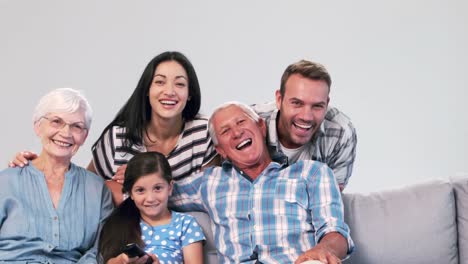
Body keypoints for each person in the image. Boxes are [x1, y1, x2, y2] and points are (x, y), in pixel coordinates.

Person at [10, 51, 219, 205]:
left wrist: (144, 177)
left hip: (182, 234)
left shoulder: (202, 132)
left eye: (180, 84)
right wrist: (37, 167)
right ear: (147, 89)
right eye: (160, 82)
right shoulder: (119, 138)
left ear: (190, 93)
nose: (170, 91)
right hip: (127, 234)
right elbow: (84, 187)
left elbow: (211, 193)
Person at [170, 102, 354, 264]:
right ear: (221, 150)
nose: (237, 132)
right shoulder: (209, 182)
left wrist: (323, 250)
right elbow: (152, 194)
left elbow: (335, 232)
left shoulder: (311, 173)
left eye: (241, 122)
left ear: (261, 127)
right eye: (225, 131)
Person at [0, 88, 113, 263]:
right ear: (38, 126)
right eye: (56, 122)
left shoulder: (97, 190)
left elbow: (101, 249)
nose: (66, 133)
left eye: (77, 126)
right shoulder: (6, 181)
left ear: (85, 135)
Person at [252, 60, 357, 191]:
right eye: (297, 103)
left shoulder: (341, 132)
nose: (306, 117)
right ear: (279, 100)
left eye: (317, 106)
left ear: (327, 103)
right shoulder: (249, 123)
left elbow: (330, 200)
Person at [98, 152, 205, 264]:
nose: (150, 198)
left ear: (169, 187)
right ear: (131, 194)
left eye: (158, 188)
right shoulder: (121, 223)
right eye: (140, 190)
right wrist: (121, 261)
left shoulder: (185, 224)